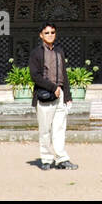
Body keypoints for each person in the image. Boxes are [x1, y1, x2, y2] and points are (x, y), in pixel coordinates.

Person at [29, 22, 77, 170]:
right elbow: (35, 76)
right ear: (41, 35)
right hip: (44, 95)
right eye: (47, 32)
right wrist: (52, 87)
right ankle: (46, 159)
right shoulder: (36, 53)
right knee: (45, 130)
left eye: (53, 32)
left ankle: (62, 158)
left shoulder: (59, 51)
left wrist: (67, 95)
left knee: (59, 128)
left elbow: (64, 74)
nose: (50, 35)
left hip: (59, 94)